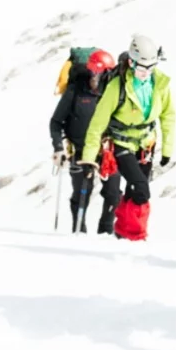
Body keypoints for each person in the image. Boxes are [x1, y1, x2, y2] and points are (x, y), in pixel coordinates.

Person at [80, 34, 176, 241]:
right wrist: (89, 157)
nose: (146, 73)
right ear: (131, 62)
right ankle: (135, 236)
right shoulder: (117, 86)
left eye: (151, 67)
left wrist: (167, 150)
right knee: (142, 190)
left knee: (134, 191)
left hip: (146, 144)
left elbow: (168, 115)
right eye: (142, 68)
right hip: (121, 143)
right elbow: (98, 123)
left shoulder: (159, 83)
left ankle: (122, 234)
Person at [51, 47, 120, 233]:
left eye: (101, 73)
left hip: (106, 150)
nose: (96, 77)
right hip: (80, 150)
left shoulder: (113, 93)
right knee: (82, 191)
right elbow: (56, 122)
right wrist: (58, 147)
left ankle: (105, 232)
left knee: (113, 193)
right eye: (94, 72)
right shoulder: (75, 91)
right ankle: (78, 229)